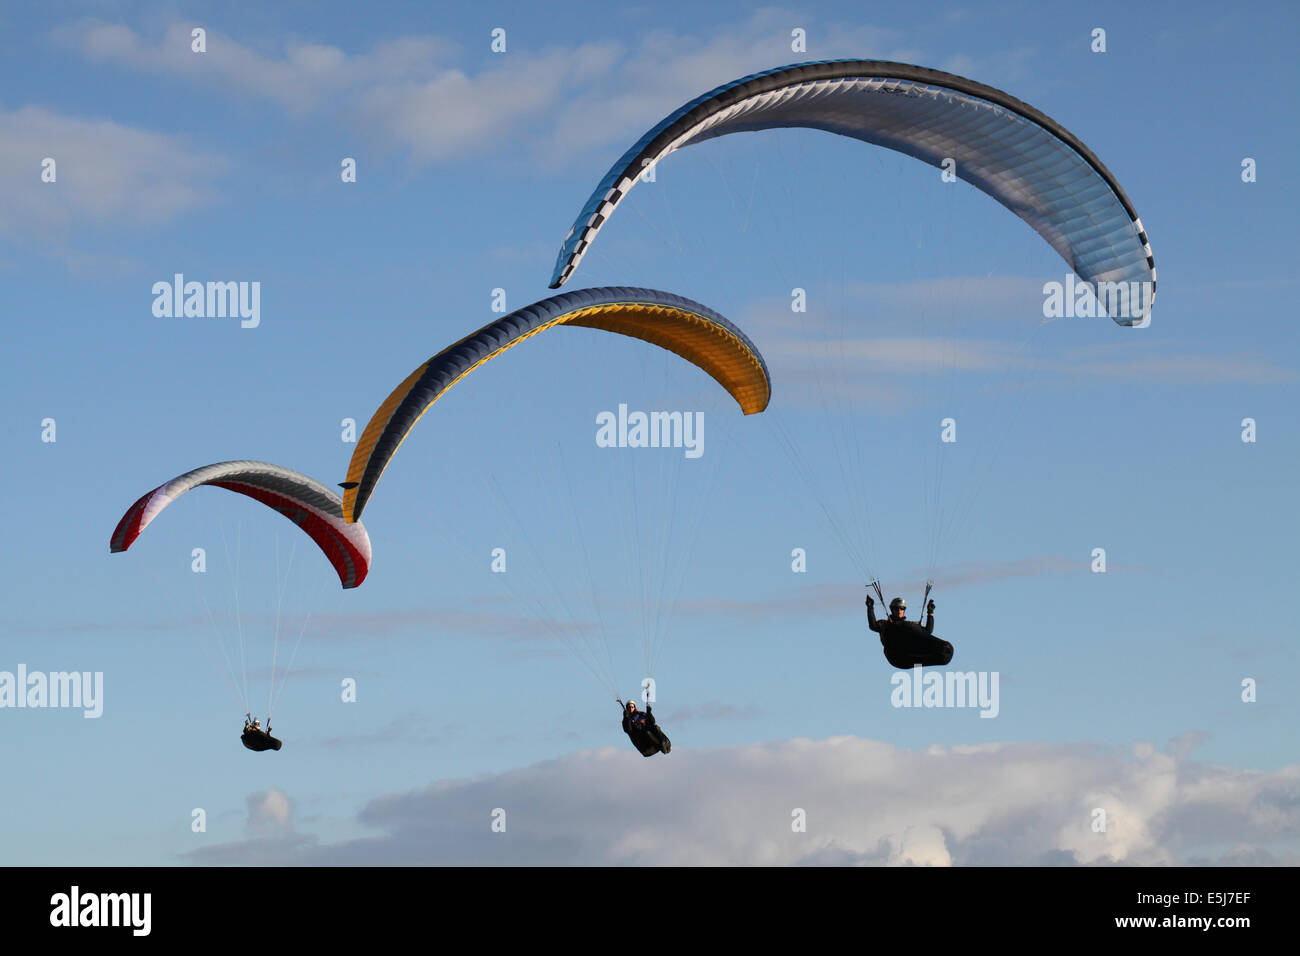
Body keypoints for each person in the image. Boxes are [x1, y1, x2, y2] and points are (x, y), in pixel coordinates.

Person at [866, 592, 953, 668]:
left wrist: (930, 613)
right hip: (894, 657)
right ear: (892, 609)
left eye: (902, 608)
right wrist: (870, 608)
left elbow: (927, 633)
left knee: (934, 657)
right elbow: (873, 626)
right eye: (896, 608)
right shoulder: (885, 624)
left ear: (904, 610)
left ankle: (943, 656)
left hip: (908, 660)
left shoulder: (910, 627)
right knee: (905, 627)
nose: (899, 610)